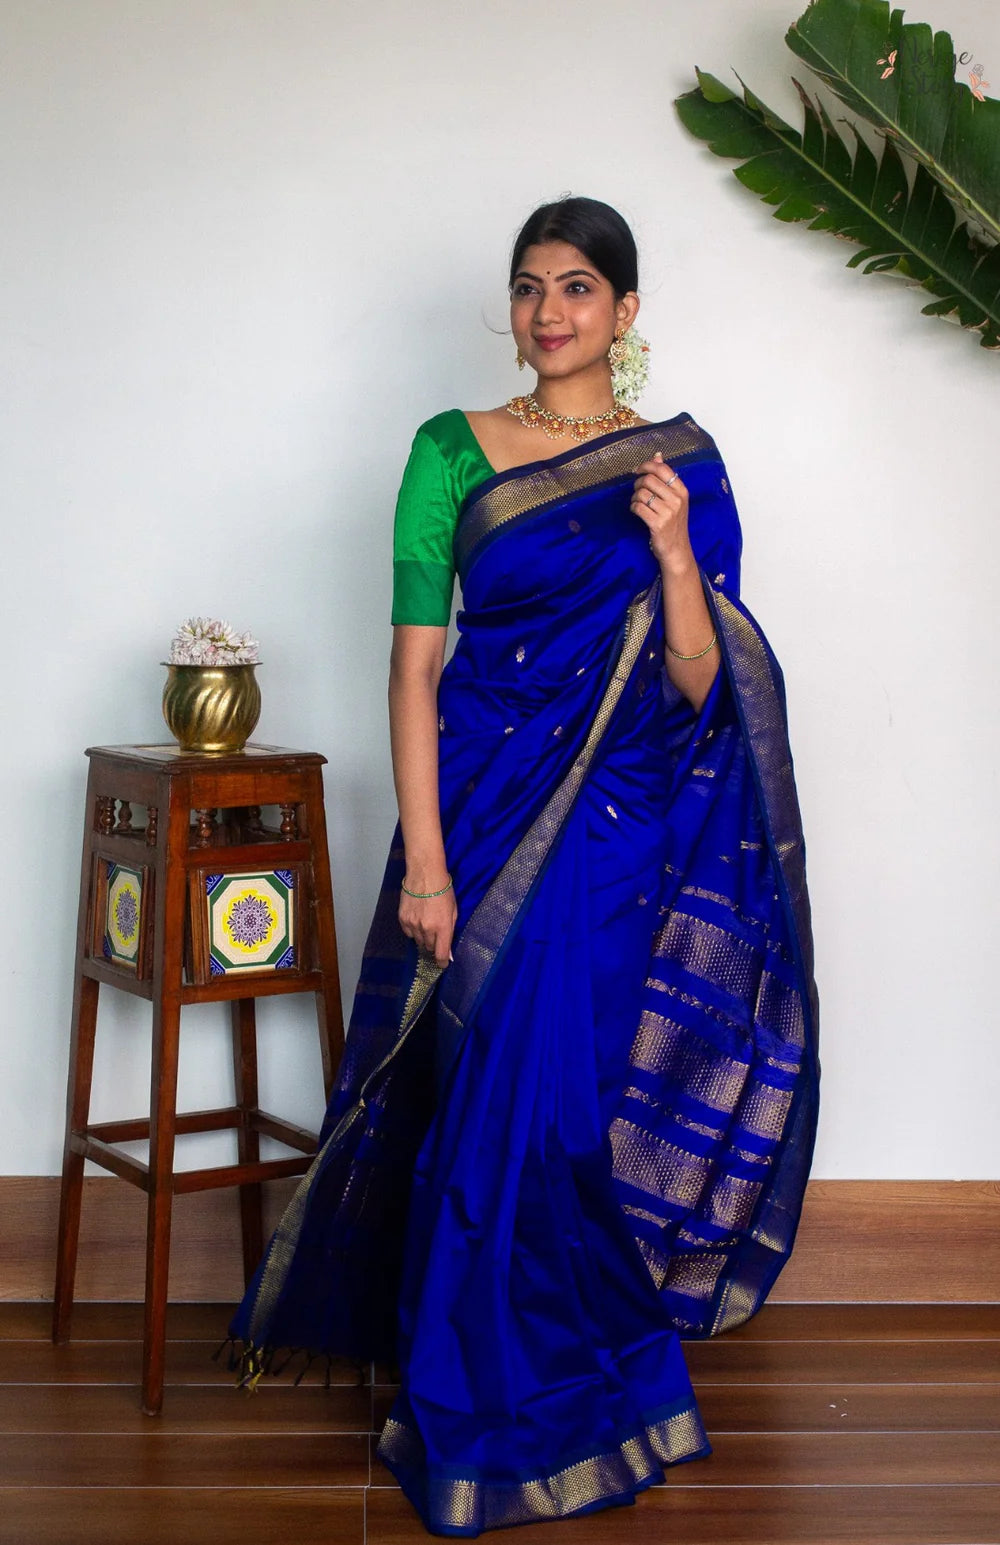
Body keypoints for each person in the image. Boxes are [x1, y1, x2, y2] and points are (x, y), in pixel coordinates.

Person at [227, 195, 821, 1537]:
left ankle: (581, 1369)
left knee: (561, 1111)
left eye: (577, 287)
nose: (549, 312)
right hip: (478, 815)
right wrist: (427, 867)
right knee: (486, 1094)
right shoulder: (449, 451)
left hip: (612, 833)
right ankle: (470, 1400)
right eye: (529, 286)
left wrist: (673, 550)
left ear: (625, 309)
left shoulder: (680, 466)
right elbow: (414, 667)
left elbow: (699, 687)